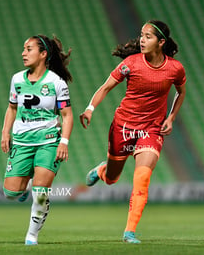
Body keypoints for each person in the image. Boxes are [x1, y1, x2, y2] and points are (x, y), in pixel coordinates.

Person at [80, 20, 186, 244]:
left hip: (152, 129)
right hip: (124, 127)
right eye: (141, 35)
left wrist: (171, 117)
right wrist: (90, 109)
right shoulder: (131, 63)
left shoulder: (175, 68)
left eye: (148, 36)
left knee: (143, 177)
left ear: (161, 42)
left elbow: (180, 92)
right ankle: (102, 171)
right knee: (112, 178)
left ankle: (129, 231)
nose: (142, 40)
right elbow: (106, 86)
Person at [1, 34, 74, 245]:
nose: (23, 53)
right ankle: (27, 184)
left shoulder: (56, 83)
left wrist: (64, 142)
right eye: (24, 49)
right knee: (11, 193)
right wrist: (5, 132)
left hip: (48, 140)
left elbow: (67, 115)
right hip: (22, 141)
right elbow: (12, 108)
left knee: (40, 191)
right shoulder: (17, 79)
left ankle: (32, 234)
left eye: (29, 49)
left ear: (43, 54)